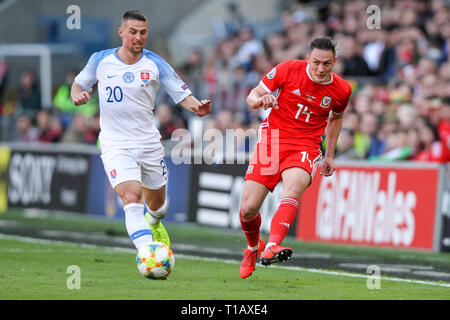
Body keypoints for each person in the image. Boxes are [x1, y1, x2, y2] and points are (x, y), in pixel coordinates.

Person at [70, 10, 211, 252]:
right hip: (115, 143)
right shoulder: (100, 60)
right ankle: (148, 253)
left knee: (158, 206)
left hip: (148, 142)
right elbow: (79, 84)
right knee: (131, 197)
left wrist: (197, 107)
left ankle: (154, 221)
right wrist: (77, 96)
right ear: (121, 32)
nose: (138, 37)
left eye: (143, 33)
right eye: (133, 32)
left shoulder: (155, 63)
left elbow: (182, 93)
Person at [239, 37, 352, 279]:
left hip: (306, 145)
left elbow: (337, 118)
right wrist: (260, 101)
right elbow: (252, 96)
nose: (321, 69)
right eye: (316, 62)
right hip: (273, 141)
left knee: (292, 191)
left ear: (335, 62)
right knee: (248, 209)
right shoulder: (288, 69)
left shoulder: (342, 89)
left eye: (327, 63)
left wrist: (329, 155)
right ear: (307, 58)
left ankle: (272, 246)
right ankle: (252, 247)